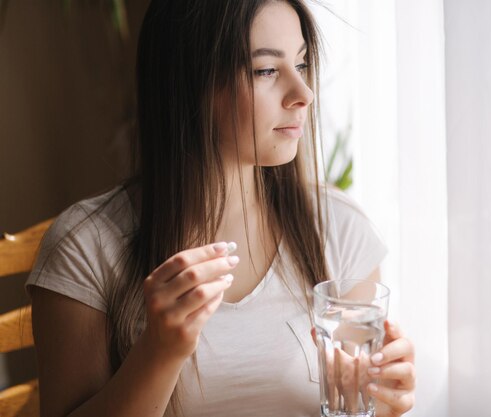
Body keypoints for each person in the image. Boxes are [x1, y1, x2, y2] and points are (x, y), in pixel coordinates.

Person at [26, 1, 416, 416]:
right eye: (266, 70)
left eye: (301, 65)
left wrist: (387, 403)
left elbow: (354, 403)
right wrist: (160, 352)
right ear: (190, 83)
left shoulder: (339, 229)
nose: (304, 94)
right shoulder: (86, 249)